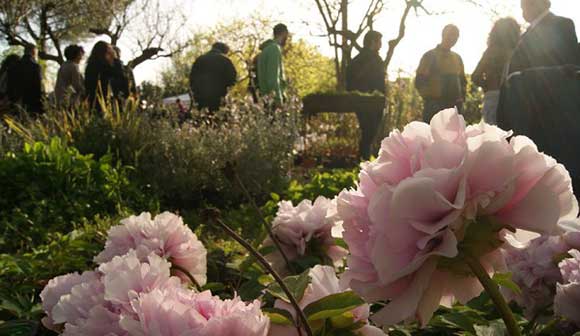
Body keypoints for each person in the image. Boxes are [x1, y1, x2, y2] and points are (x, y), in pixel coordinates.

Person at [507, 0, 579, 75]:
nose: (523, 14)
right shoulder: (525, 34)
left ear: (538, 4)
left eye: (524, 7)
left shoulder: (562, 24)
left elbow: (569, 62)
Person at [346, 30, 386, 160]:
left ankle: (364, 157)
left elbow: (349, 81)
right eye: (379, 41)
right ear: (373, 42)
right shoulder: (374, 59)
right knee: (370, 131)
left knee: (367, 130)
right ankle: (364, 158)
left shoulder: (357, 59)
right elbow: (379, 82)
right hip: (373, 101)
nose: (381, 44)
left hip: (360, 100)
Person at [472, 18, 520, 124]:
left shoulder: (491, 51)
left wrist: (487, 86)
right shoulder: (519, 52)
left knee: (494, 134)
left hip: (494, 95)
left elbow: (475, 76)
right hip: (514, 97)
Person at [415, 24, 466, 122]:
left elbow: (463, 81)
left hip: (454, 107)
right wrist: (431, 97)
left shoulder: (457, 58)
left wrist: (461, 99)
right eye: (451, 34)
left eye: (456, 36)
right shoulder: (430, 56)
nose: (453, 38)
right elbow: (419, 81)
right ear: (443, 34)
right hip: (434, 107)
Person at [189, 42, 237, 112]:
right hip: (218, 96)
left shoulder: (200, 59)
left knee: (203, 119)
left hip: (200, 97)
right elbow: (232, 79)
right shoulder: (225, 60)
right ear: (224, 50)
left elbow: (192, 78)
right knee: (218, 119)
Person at [257, 23, 289, 105]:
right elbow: (273, 77)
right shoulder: (274, 49)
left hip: (264, 98)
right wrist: (278, 99)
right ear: (284, 33)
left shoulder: (265, 51)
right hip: (272, 101)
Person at [12, 45, 44, 115]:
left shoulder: (14, 66)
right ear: (33, 52)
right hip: (31, 104)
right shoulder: (36, 67)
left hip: (15, 102)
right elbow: (38, 87)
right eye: (36, 54)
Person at [85, 41, 117, 110]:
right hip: (102, 101)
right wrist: (114, 59)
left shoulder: (90, 65)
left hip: (92, 101)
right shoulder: (104, 66)